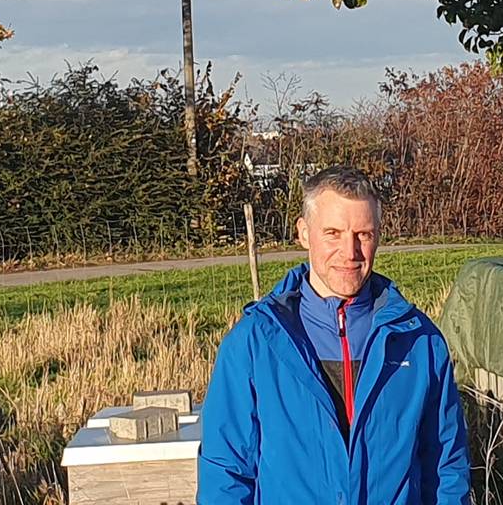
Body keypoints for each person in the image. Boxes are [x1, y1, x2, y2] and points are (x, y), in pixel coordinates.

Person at [198, 167, 470, 505]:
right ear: (303, 233)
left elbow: (445, 466)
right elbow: (226, 471)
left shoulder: (419, 343)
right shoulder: (255, 343)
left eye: (363, 234)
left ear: (379, 236)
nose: (350, 251)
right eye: (333, 233)